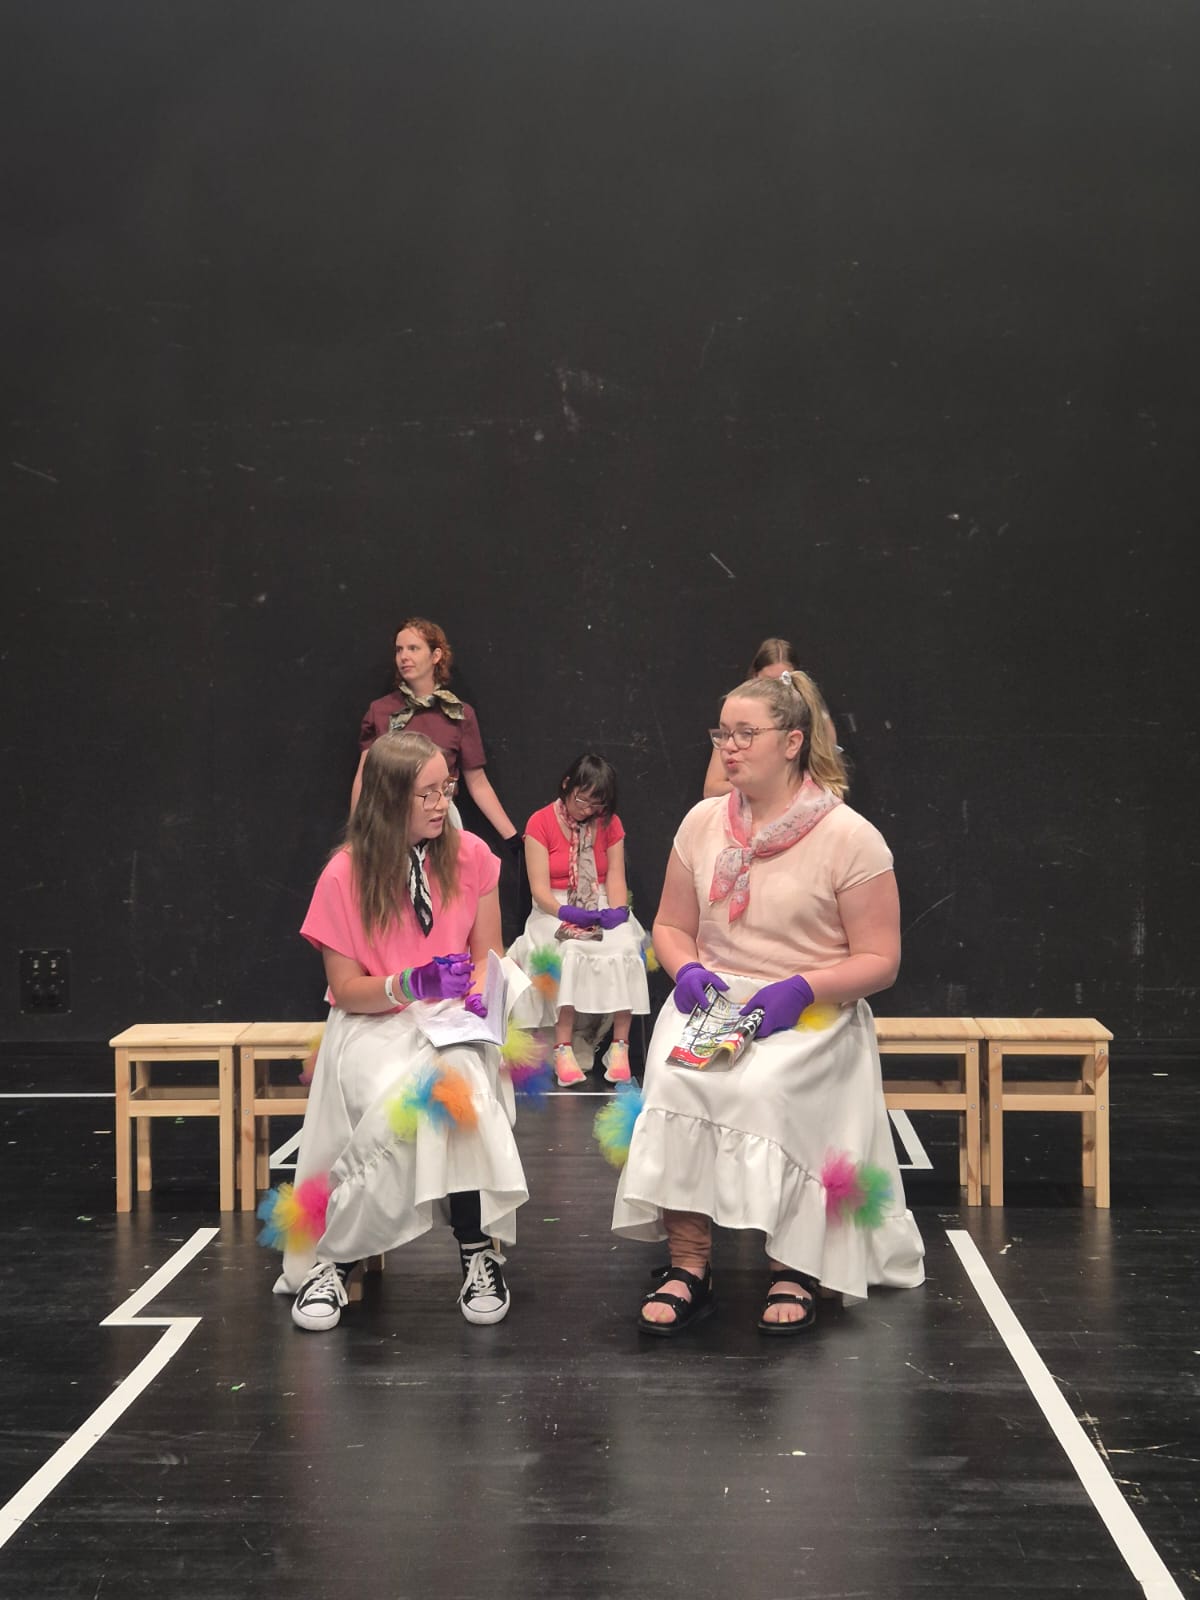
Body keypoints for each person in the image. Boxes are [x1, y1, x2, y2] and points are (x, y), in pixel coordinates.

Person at [613, 671, 924, 1335]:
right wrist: (686, 970)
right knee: (675, 1078)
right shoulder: (702, 823)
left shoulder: (849, 837)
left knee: (769, 1089)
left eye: (745, 733)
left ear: (792, 741)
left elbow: (881, 959)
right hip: (717, 999)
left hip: (810, 1009)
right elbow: (669, 925)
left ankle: (795, 1265)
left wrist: (804, 988)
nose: (729, 746)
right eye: (722, 733)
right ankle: (689, 1263)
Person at [266, 730, 529, 1332]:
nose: (442, 804)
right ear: (388, 799)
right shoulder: (343, 874)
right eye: (427, 794)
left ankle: (474, 1249)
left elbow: (488, 955)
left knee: (456, 1080)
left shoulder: (472, 857)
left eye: (446, 789)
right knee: (398, 1095)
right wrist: (410, 983)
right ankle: (337, 1259)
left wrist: (477, 999)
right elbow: (347, 989)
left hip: (451, 1022)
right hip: (373, 1022)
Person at [508, 754, 650, 1087]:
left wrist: (618, 911)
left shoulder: (609, 823)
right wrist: (567, 913)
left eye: (595, 805)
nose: (587, 810)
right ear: (566, 786)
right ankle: (563, 1047)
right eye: (582, 800)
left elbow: (615, 876)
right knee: (571, 949)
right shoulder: (540, 822)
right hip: (554, 907)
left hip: (598, 900)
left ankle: (619, 1047)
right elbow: (539, 890)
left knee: (626, 945)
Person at [351, 619, 522, 861]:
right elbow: (364, 777)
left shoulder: (458, 713)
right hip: (389, 823)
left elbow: (478, 783)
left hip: (438, 822)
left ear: (436, 655)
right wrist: (356, 835)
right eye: (399, 650)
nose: (404, 657)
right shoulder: (380, 711)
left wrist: (513, 839)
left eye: (413, 648)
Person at [702, 638, 837, 798]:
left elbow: (830, 779)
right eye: (746, 733)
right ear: (755, 676)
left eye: (783, 681)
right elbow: (712, 789)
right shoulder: (733, 732)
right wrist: (757, 784)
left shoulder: (813, 720)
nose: (775, 689)